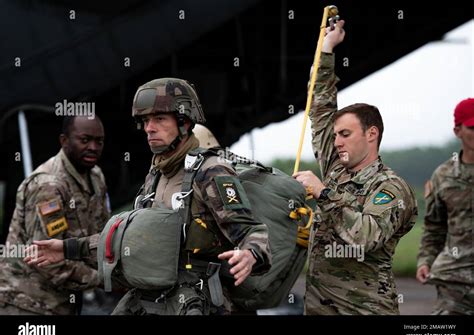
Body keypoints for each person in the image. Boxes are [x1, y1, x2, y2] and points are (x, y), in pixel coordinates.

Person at [26, 78, 271, 315]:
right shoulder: (155, 174)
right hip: (152, 296)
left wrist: (249, 254)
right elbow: (124, 239)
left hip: (198, 298)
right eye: (145, 121)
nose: (149, 128)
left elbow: (253, 231)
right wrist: (66, 249)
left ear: (184, 122)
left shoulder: (211, 171)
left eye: (159, 119)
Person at [292, 20, 418, 315]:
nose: (335, 142)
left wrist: (323, 194)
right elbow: (321, 109)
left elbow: (366, 237)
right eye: (335, 136)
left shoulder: (391, 187)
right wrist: (326, 48)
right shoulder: (337, 169)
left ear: (371, 134)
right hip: (320, 307)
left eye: (345, 135)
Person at [0, 115, 110, 315]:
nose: (93, 147)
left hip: (64, 301)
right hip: (26, 303)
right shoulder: (48, 186)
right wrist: (104, 280)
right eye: (84, 140)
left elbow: (101, 237)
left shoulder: (96, 176)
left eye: (99, 141)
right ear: (64, 140)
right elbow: (48, 261)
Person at [416, 98, 474, 315]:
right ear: (458, 131)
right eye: (472, 127)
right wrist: (426, 260)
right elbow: (434, 225)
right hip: (454, 282)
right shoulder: (444, 175)